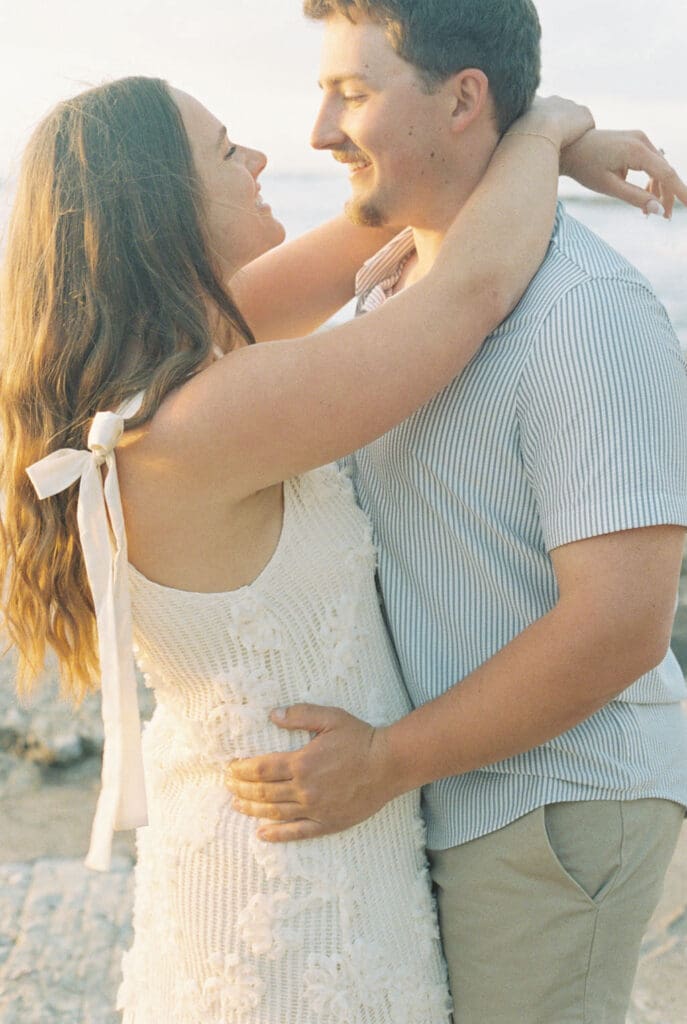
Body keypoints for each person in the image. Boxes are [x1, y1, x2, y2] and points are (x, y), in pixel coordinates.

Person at [225, 3, 687, 1023]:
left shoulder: (584, 312)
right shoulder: (395, 287)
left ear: (464, 97)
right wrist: (553, 130)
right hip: (451, 791)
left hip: (552, 801)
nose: (316, 133)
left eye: (350, 93)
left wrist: (386, 761)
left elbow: (620, 625)